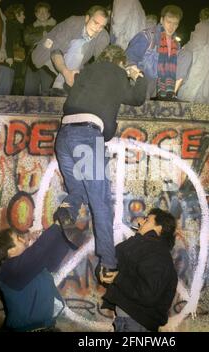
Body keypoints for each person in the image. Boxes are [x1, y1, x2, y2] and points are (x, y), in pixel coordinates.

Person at [54, 45, 147, 282]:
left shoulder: (87, 72)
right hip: (86, 137)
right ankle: (108, 264)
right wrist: (137, 76)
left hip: (64, 137)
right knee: (101, 202)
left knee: (78, 191)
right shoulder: (116, 73)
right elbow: (137, 98)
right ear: (119, 62)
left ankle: (68, 209)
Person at [0, 223, 85, 331]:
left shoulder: (30, 268)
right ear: (10, 251)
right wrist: (57, 226)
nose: (24, 240)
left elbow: (52, 263)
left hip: (47, 327)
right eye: (19, 239)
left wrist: (66, 238)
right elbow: (38, 251)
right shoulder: (6, 272)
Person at [100, 208, 178, 332]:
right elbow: (112, 260)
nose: (140, 221)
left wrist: (117, 278)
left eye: (147, 220)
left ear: (159, 228)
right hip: (129, 322)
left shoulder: (157, 253)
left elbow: (148, 293)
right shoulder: (142, 247)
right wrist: (104, 272)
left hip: (137, 324)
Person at [31, 5, 110, 96]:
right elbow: (55, 50)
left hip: (72, 60)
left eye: (101, 26)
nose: (97, 29)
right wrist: (66, 73)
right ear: (87, 18)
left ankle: (67, 91)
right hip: (46, 53)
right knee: (79, 45)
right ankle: (59, 88)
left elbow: (101, 63)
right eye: (95, 23)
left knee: (80, 75)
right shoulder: (73, 23)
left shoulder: (103, 36)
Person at [126, 5, 192, 100]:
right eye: (168, 22)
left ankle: (170, 95)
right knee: (143, 105)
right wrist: (137, 77)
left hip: (163, 84)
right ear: (161, 20)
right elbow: (130, 57)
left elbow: (181, 68)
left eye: (175, 24)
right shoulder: (147, 36)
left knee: (187, 54)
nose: (171, 27)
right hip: (144, 79)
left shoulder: (176, 45)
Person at [177, 8, 209, 105]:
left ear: (201, 17)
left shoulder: (202, 25)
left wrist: (182, 49)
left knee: (192, 91)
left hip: (200, 64)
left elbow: (195, 43)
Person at [24, 2, 57, 96]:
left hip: (49, 64)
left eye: (45, 12)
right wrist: (44, 36)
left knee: (47, 92)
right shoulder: (30, 27)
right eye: (40, 12)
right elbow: (27, 39)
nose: (42, 14)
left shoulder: (56, 27)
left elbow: (59, 41)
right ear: (36, 14)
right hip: (32, 64)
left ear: (49, 14)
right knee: (29, 92)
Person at [0, 3, 26, 95]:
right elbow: (7, 41)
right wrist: (9, 57)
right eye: (23, 14)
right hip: (11, 62)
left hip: (13, 61)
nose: (24, 17)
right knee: (5, 90)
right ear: (17, 15)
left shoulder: (14, 26)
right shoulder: (12, 26)